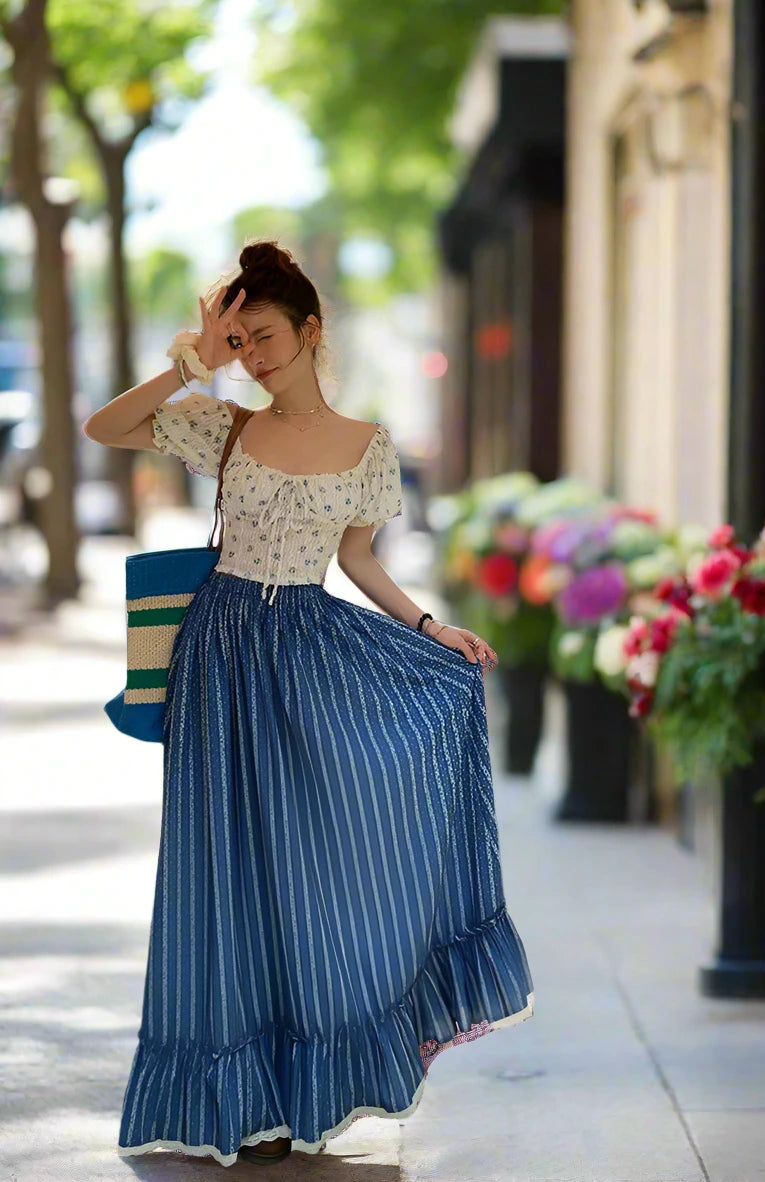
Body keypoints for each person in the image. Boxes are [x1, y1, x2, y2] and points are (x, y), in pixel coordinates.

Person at [82, 240, 536, 1168]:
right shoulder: (225, 425)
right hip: (220, 652)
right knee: (221, 870)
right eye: (239, 339)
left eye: (264, 337)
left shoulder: (369, 446)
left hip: (309, 649)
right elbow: (104, 428)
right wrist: (187, 363)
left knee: (310, 869)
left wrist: (428, 629)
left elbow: (360, 560)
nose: (252, 355)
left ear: (311, 330)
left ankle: (309, 1087)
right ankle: (240, 1100)